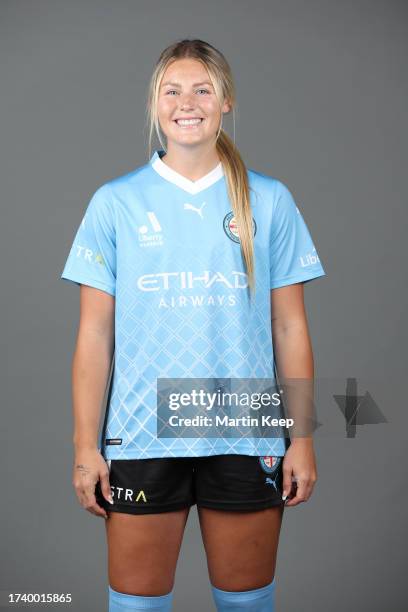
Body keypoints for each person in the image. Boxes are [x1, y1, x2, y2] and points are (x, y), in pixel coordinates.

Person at [60, 38, 326, 612]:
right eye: (172, 90)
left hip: (245, 426)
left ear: (225, 100)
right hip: (140, 432)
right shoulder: (116, 203)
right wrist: (86, 446)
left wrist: (301, 438)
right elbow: (94, 337)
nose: (188, 102)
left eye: (203, 89)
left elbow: (290, 329)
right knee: (136, 605)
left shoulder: (270, 201)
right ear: (155, 102)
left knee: (247, 604)